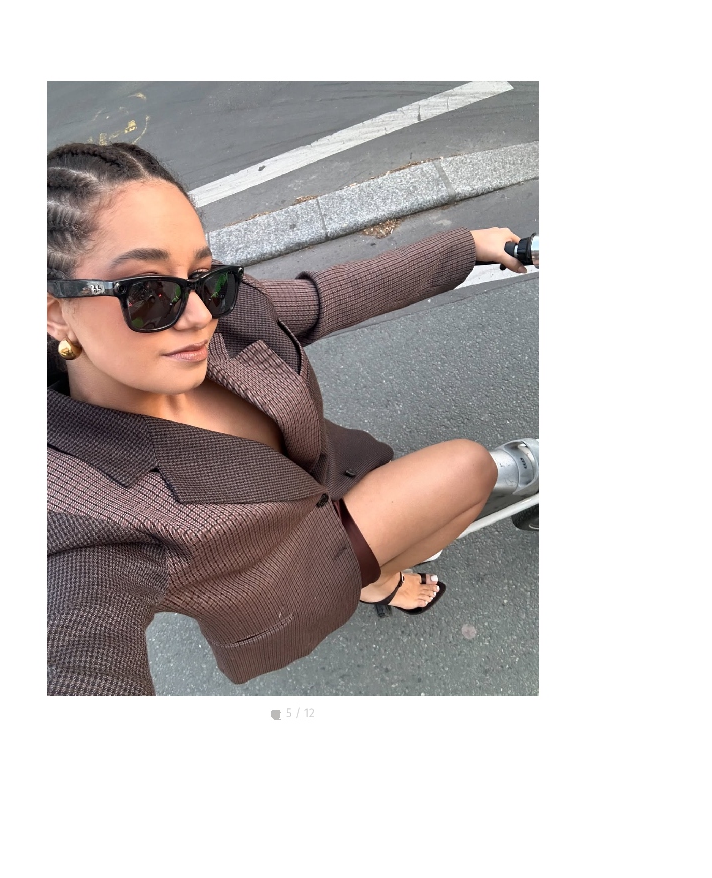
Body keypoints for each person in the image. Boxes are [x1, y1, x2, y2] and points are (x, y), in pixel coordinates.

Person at [47, 141, 537, 696]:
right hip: (294, 589)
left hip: (337, 485)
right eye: (148, 292)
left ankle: (376, 579)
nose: (201, 315)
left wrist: (467, 246)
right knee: (471, 468)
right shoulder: (76, 508)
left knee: (465, 481)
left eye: (205, 276)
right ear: (57, 313)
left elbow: (328, 296)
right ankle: (377, 582)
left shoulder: (230, 314)